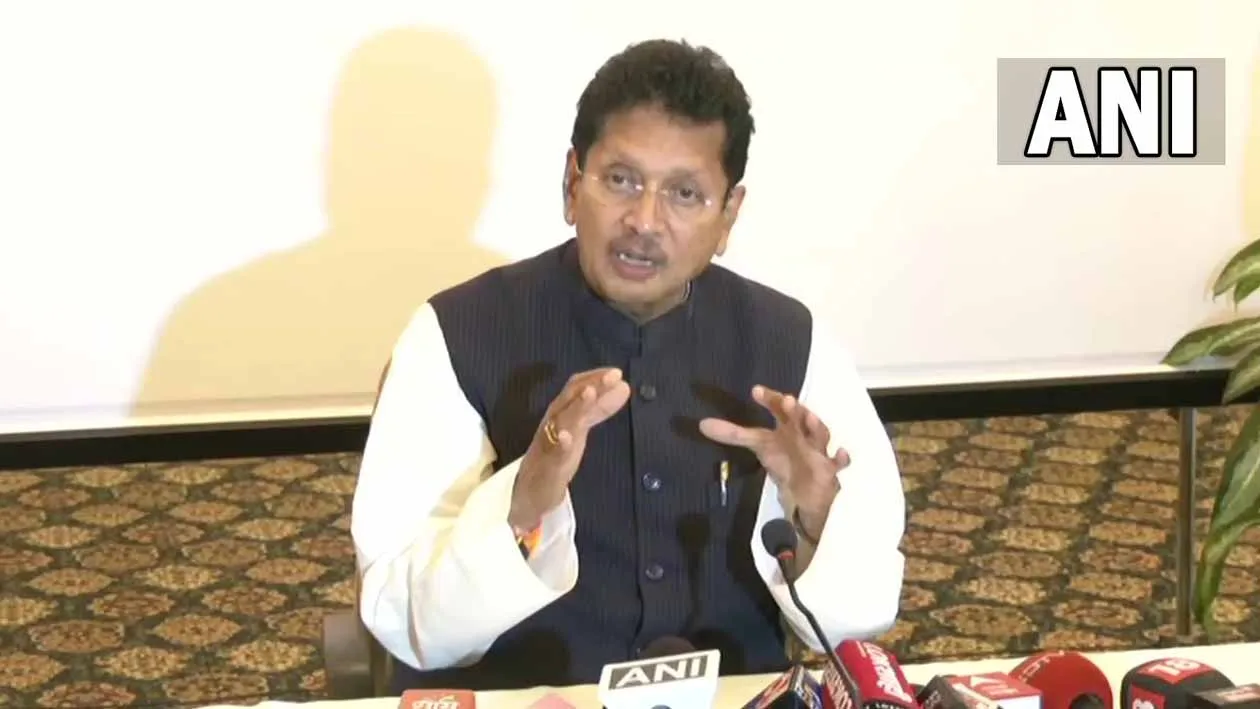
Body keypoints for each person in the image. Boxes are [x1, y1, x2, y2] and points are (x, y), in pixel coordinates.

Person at [350, 38, 907, 693]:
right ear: (572, 183)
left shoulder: (792, 343)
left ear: (728, 215)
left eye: (685, 194)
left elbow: (857, 623)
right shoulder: (455, 333)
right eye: (621, 180)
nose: (644, 221)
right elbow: (404, 620)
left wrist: (817, 516)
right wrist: (522, 507)